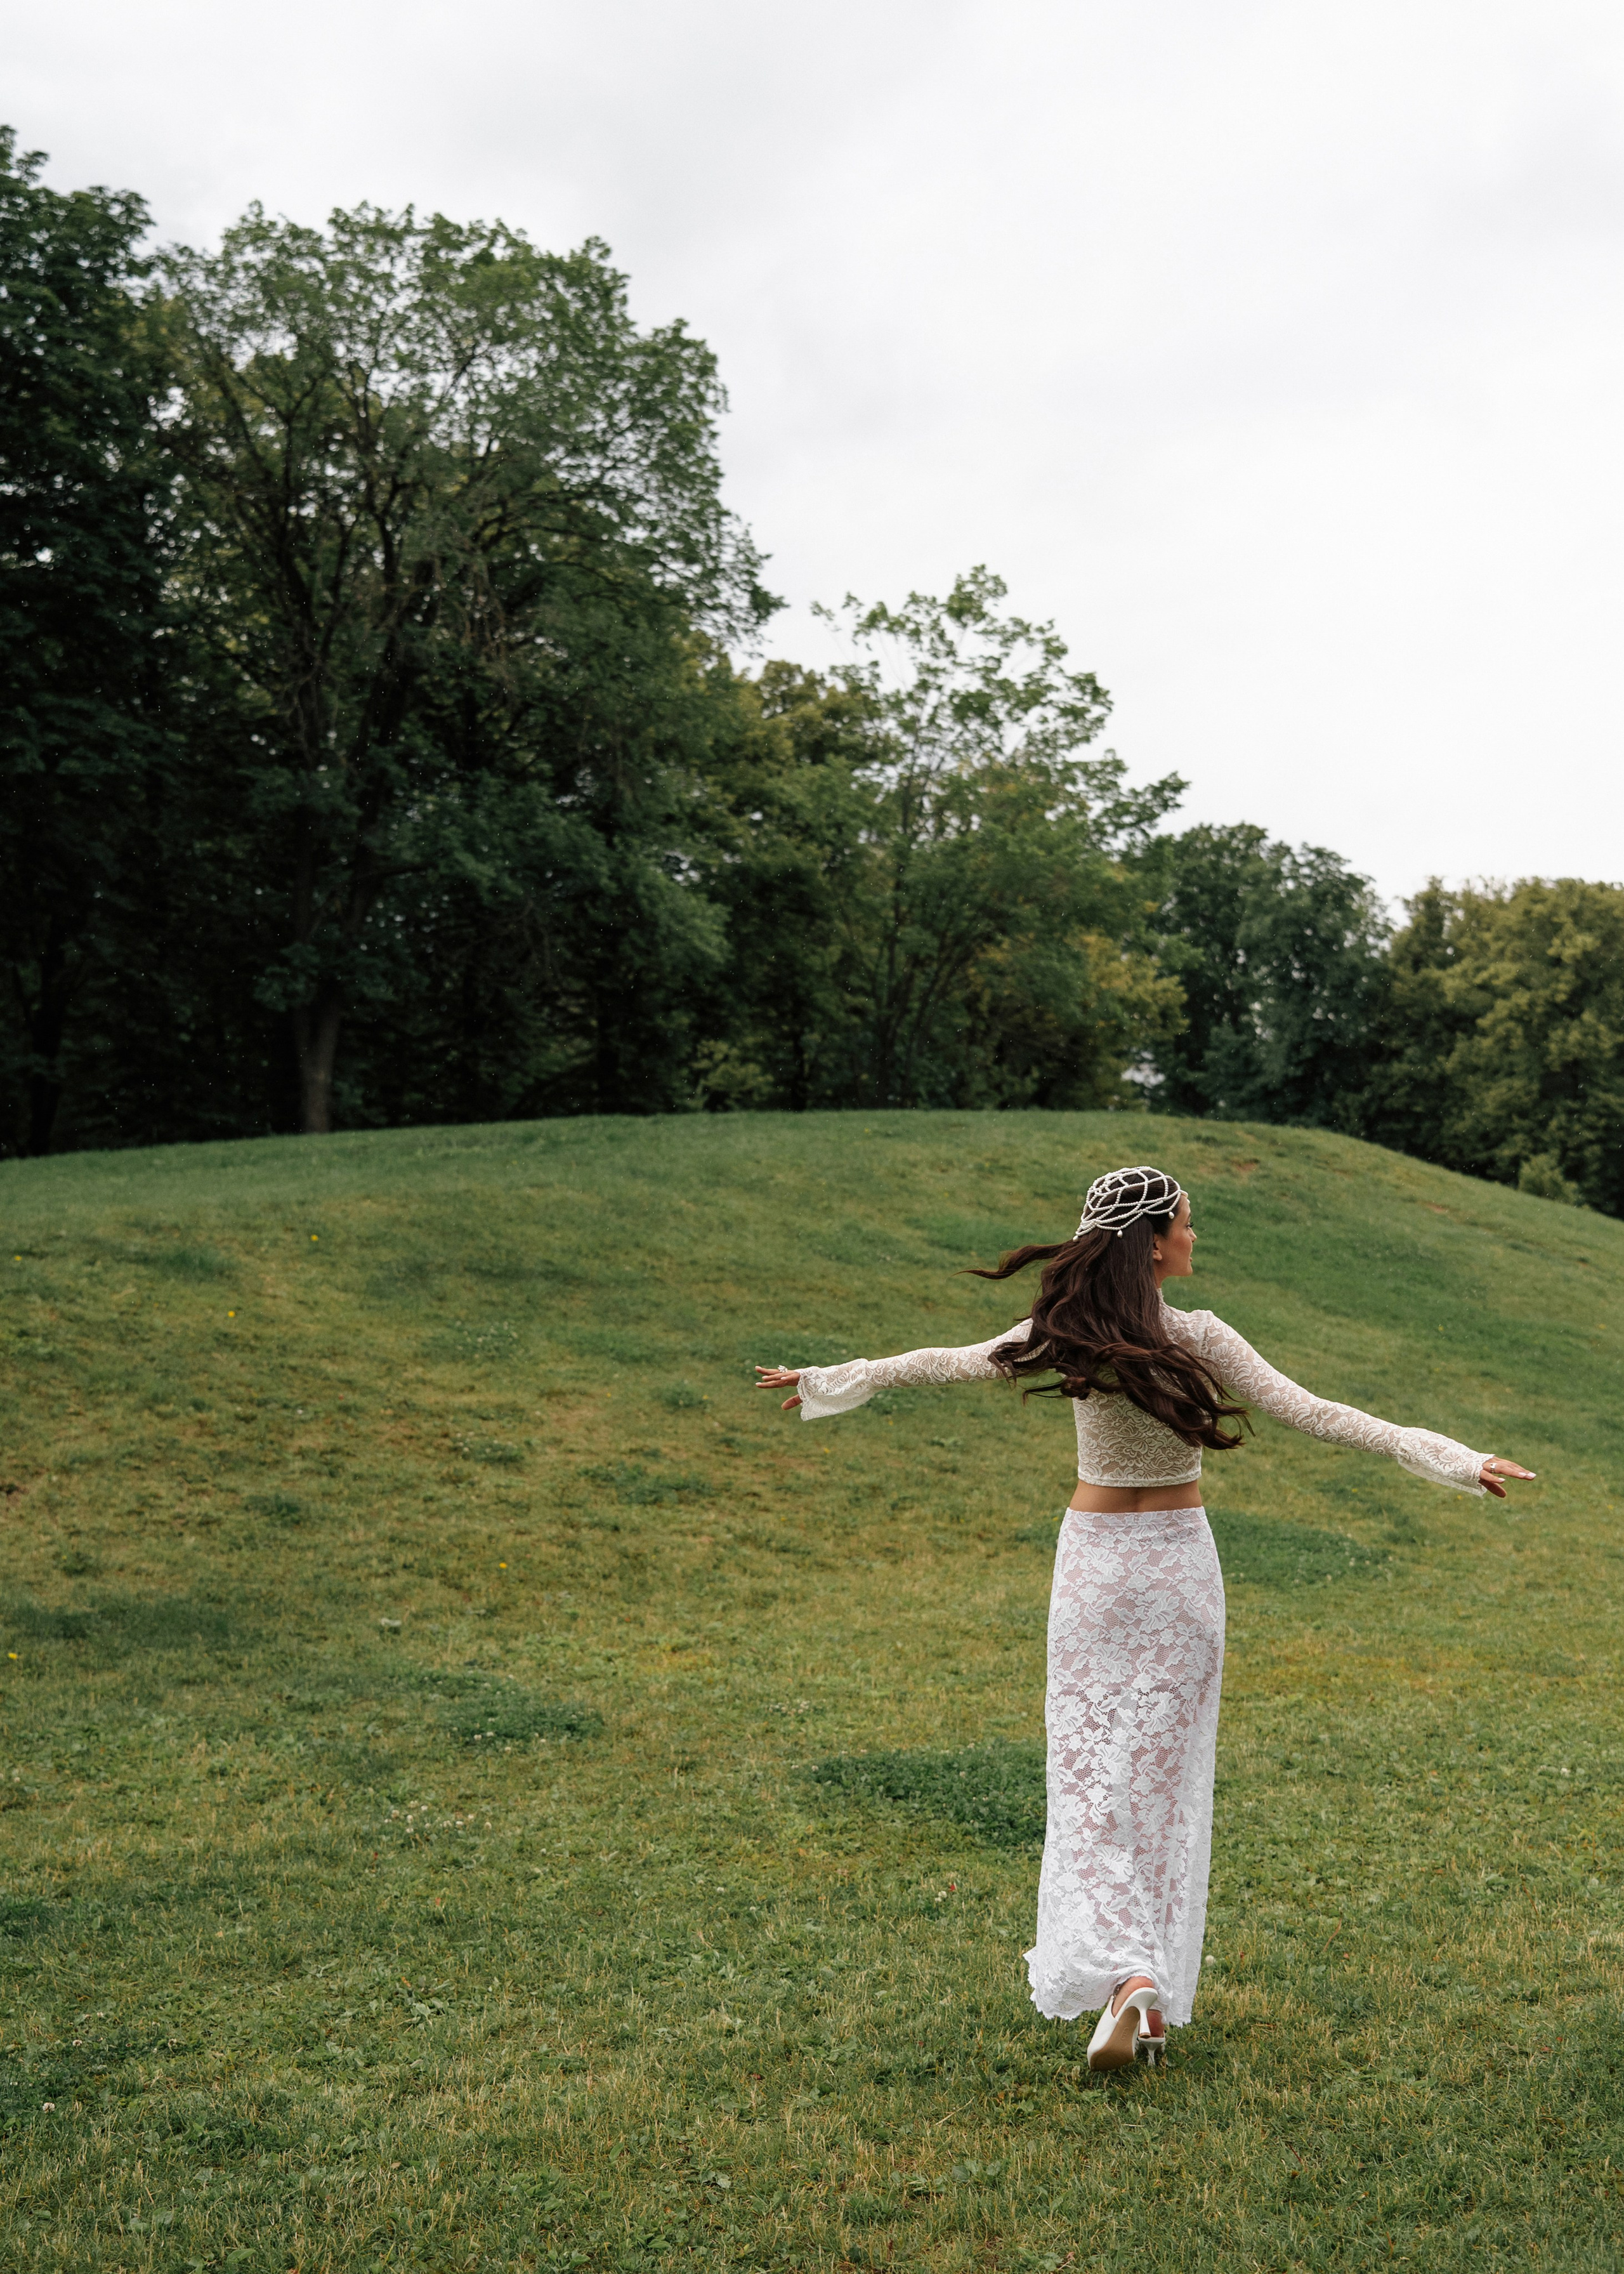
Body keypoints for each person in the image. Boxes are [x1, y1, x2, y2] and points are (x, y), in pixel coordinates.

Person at [756, 1164, 1533, 2072]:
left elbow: (940, 1363)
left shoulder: (1066, 1330)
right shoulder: (1197, 1338)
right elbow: (1320, 1416)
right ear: (1155, 1239)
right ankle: (1138, 1983)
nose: (1197, 1239)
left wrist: (824, 1380)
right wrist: (1454, 1458)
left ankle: (1136, 1989)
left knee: (1090, 1787)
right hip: (1176, 1576)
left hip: (1092, 1572)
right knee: (1161, 1789)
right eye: (1190, 1225)